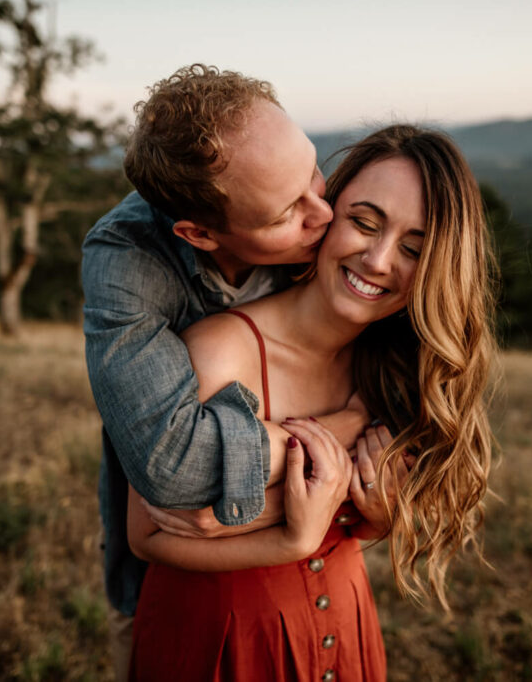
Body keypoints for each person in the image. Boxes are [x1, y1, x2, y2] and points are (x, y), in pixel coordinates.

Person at [126, 125, 497, 681]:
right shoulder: (220, 353)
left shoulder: (396, 367)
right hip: (225, 643)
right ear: (326, 213)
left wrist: (376, 519)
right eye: (364, 223)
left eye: (414, 249)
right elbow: (146, 535)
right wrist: (290, 540)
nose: (377, 259)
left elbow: (360, 520)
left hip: (346, 627)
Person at [81, 65, 370, 682]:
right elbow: (172, 469)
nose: (325, 215)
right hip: (182, 585)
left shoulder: (326, 218)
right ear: (199, 234)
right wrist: (350, 426)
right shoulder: (127, 261)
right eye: (285, 213)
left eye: (313, 172)